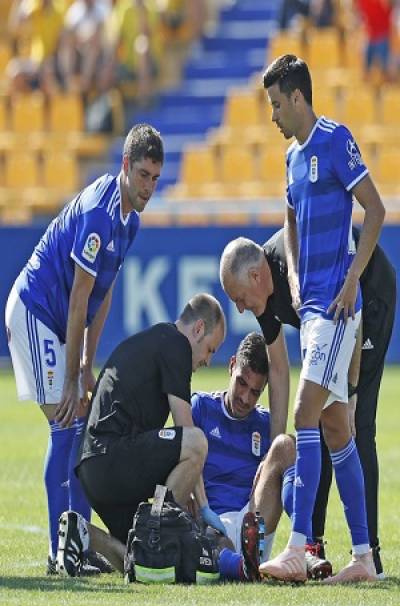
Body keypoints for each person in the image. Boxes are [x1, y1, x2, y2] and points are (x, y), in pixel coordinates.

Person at [222, 53, 386, 583]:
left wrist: (353, 278)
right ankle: (364, 559)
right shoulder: (291, 159)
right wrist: (292, 273)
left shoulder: (337, 140)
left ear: (297, 98)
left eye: (275, 103)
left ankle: (297, 546)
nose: (271, 115)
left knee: (303, 413)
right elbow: (289, 216)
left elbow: (376, 210)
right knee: (338, 431)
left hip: (337, 310)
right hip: (312, 307)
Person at [5, 123, 164, 574]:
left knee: (77, 432)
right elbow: (78, 298)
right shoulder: (100, 213)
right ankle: (62, 553)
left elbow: (103, 292)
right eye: (143, 175)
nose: (149, 186)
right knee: (69, 425)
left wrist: (87, 364)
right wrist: (74, 374)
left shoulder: (129, 219)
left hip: (57, 323)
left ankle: (73, 545)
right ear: (125, 166)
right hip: (35, 312)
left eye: (155, 177)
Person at [220, 228, 395, 579]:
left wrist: (351, 389)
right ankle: (311, 549)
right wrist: (275, 448)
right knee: (314, 422)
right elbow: (279, 370)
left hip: (367, 299)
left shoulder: (299, 262)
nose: (239, 308)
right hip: (333, 322)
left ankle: (368, 554)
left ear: (256, 276)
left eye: (238, 297)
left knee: (353, 427)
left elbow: (351, 306)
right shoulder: (262, 294)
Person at [55, 293, 226, 576]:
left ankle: (82, 532)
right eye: (210, 349)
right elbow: (187, 431)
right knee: (197, 441)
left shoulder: (153, 340)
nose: (208, 360)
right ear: (198, 330)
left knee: (137, 560)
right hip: (112, 457)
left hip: (93, 468)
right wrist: (204, 507)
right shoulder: (176, 344)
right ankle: (157, 536)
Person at [191, 331, 332, 582]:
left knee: (285, 444)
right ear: (232, 365)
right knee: (211, 537)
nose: (245, 398)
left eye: (255, 392)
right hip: (211, 523)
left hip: (253, 520)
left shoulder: (265, 423)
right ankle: (243, 567)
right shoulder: (201, 407)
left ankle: (307, 547)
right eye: (241, 383)